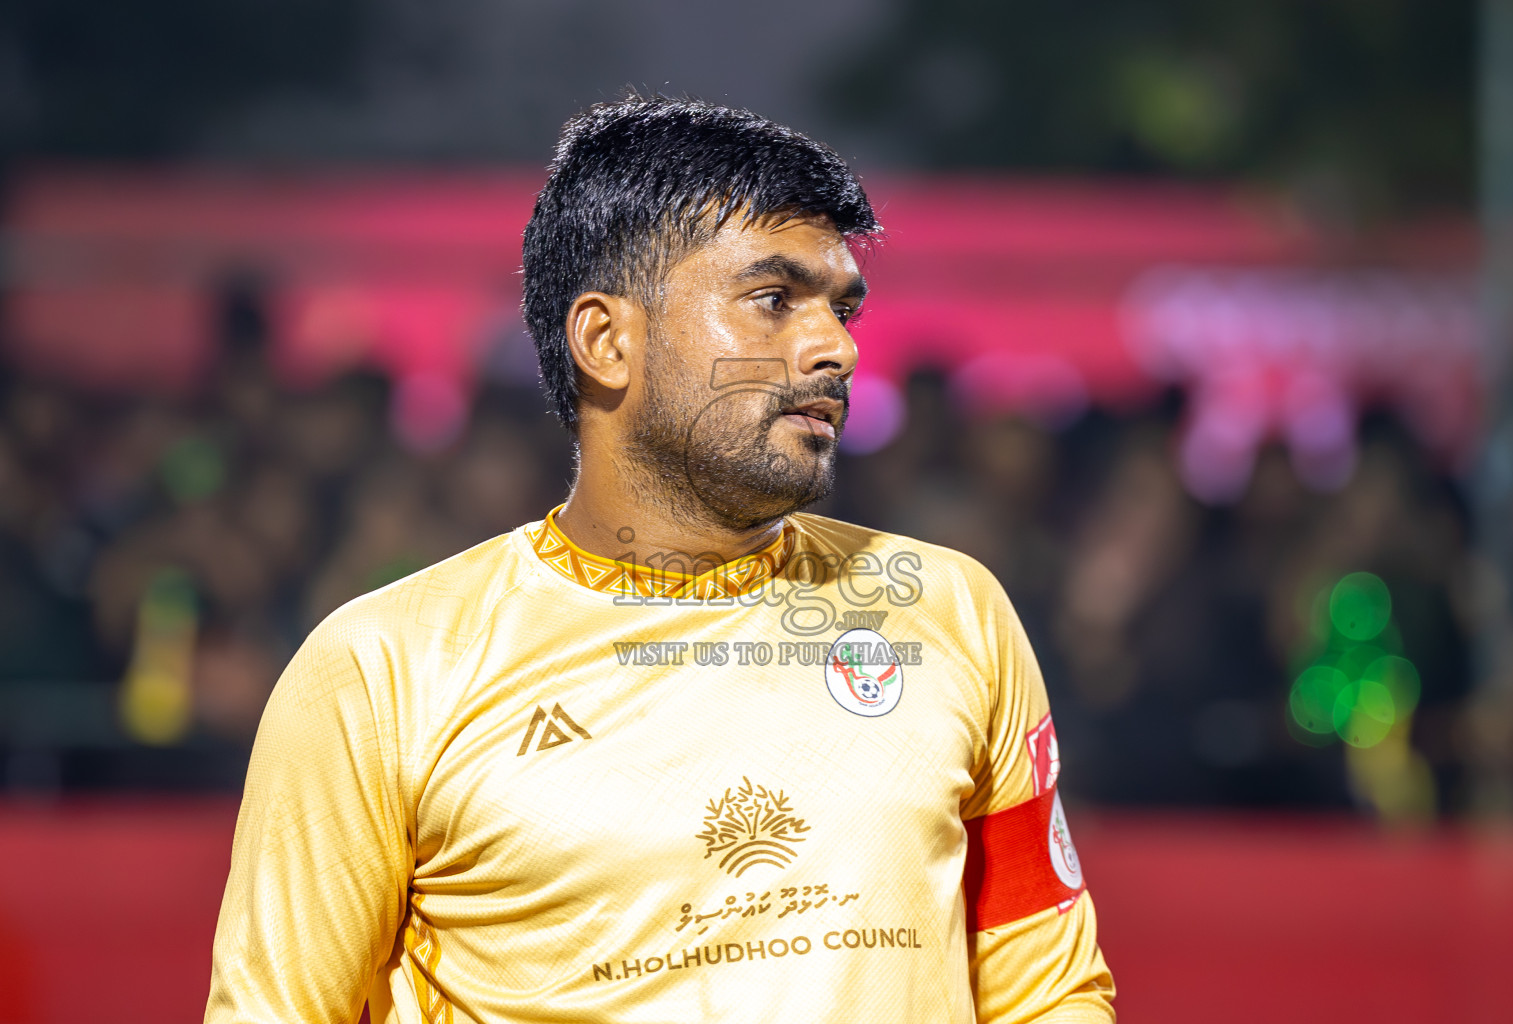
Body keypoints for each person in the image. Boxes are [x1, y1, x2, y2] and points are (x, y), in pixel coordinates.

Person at [206, 95, 1115, 1024]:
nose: (835, 349)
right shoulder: (383, 671)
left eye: (842, 309)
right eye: (773, 301)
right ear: (606, 341)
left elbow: (1048, 992)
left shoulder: (948, 611)